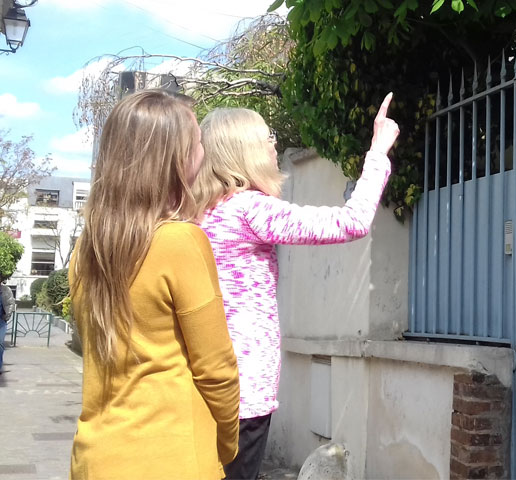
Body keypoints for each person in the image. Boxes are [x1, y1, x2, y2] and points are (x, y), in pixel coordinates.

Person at [193, 93, 399, 480]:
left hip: (206, 385)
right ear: (244, 150)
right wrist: (378, 151)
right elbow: (350, 222)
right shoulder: (249, 208)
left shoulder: (203, 210)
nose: (274, 143)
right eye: (266, 136)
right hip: (243, 394)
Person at [69, 90, 240, 480]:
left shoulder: (85, 252)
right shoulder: (180, 242)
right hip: (172, 458)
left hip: (95, 459)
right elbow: (216, 370)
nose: (203, 150)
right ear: (176, 160)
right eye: (198, 142)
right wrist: (225, 442)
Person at [0, 280, 14, 373]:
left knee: (0, 344)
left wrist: (7, 316)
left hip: (1, 321)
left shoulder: (6, 290)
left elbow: (10, 303)